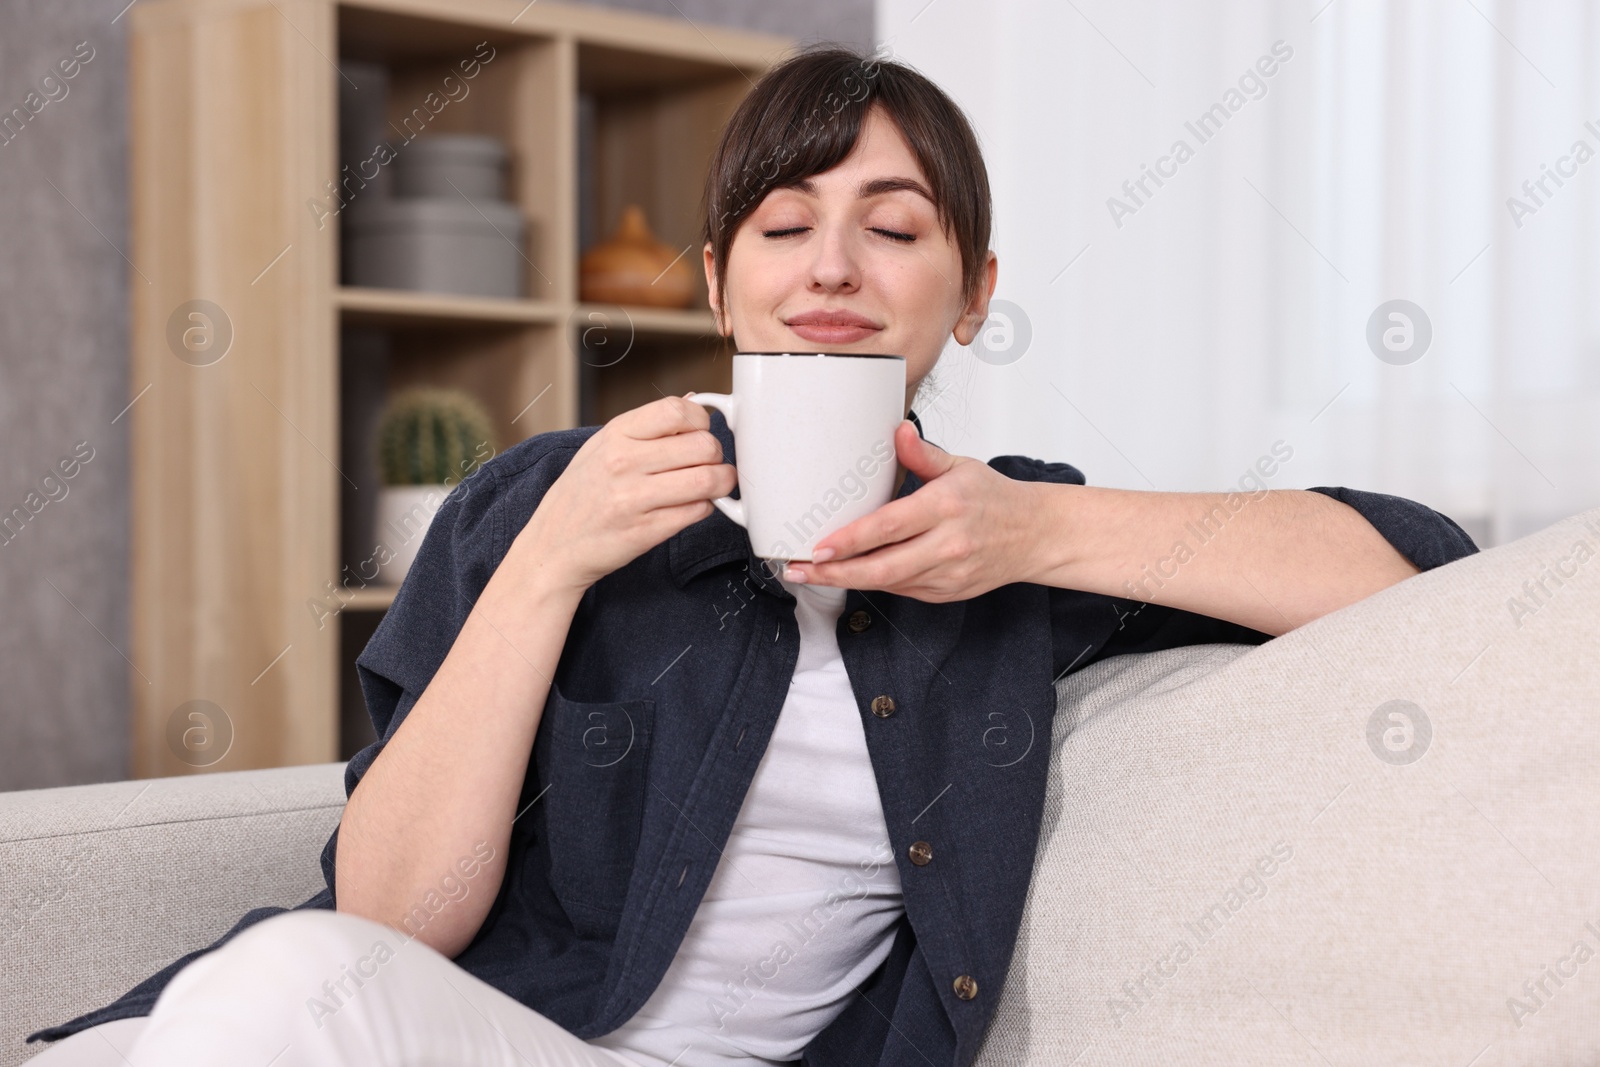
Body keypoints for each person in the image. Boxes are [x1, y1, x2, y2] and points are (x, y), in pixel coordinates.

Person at [24, 43, 1477, 1067]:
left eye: (893, 230)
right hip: (409, 1028)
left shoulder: (1019, 551)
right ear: (722, 284)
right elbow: (394, 915)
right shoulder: (547, 498)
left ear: (971, 296)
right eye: (784, 226)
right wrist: (549, 566)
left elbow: (1417, 572)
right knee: (260, 995)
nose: (832, 268)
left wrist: (1039, 528)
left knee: (283, 991)